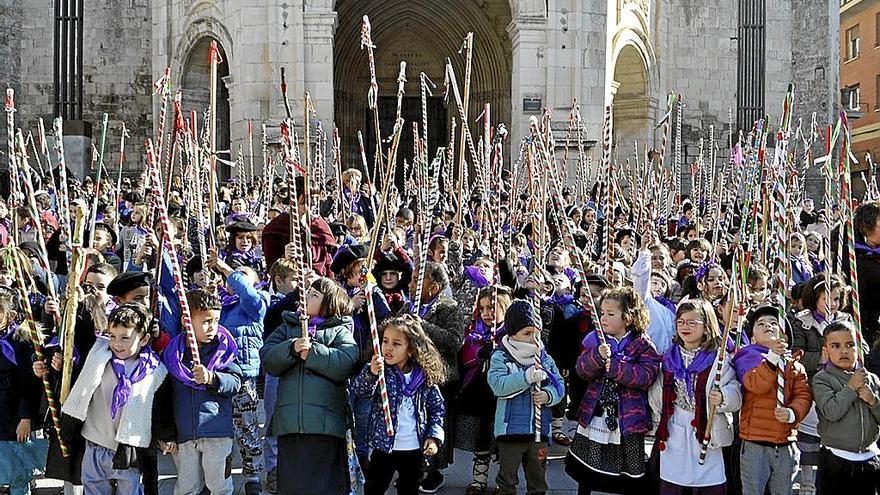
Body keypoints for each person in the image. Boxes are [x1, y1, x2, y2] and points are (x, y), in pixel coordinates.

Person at [260, 277, 359, 495]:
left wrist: (313, 352)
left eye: (314, 295)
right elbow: (267, 357)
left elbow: (347, 362)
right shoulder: (287, 327)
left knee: (324, 485)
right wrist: (292, 348)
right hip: (290, 424)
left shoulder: (338, 330)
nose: (305, 297)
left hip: (325, 426)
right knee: (293, 485)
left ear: (330, 305)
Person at [60, 303, 168, 495]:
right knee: (93, 489)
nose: (117, 343)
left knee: (130, 490)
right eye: (112, 336)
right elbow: (80, 331)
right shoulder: (99, 356)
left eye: (125, 338)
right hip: (95, 443)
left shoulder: (154, 371)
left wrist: (167, 436)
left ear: (144, 339)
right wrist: (77, 301)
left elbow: (158, 408)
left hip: (128, 449)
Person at [566, 287, 661, 495]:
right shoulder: (596, 340)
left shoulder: (643, 345)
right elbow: (582, 370)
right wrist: (597, 358)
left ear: (628, 318)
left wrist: (616, 367)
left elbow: (646, 376)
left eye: (610, 314)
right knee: (588, 462)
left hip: (628, 419)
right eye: (602, 313)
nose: (604, 318)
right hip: (597, 414)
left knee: (629, 466)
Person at [649, 299, 742, 495]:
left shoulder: (718, 360)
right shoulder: (669, 358)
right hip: (674, 428)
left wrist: (724, 397)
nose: (685, 326)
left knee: (707, 479)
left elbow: (735, 390)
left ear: (706, 327)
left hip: (706, 429)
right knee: (673, 480)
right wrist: (658, 417)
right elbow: (657, 394)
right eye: (681, 322)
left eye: (692, 322)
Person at [158, 290, 243, 495]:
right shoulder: (172, 355)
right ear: (187, 321)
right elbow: (164, 397)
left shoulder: (222, 350)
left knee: (219, 485)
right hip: (184, 434)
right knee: (187, 487)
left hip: (216, 430)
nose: (212, 327)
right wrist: (165, 433)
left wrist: (213, 378)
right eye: (206, 321)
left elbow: (235, 382)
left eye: (215, 320)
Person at [352, 316, 446, 495]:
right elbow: (360, 391)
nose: (388, 347)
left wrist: (434, 437)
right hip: (384, 446)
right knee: (374, 487)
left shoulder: (424, 377)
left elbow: (437, 408)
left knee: (409, 489)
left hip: (413, 448)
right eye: (385, 341)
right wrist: (371, 374)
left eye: (396, 344)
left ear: (411, 349)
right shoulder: (381, 372)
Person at [487, 299, 565, 495]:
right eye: (527, 333)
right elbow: (498, 385)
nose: (533, 339)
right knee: (507, 480)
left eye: (536, 333)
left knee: (538, 481)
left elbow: (559, 385)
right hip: (510, 431)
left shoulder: (544, 357)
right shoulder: (501, 356)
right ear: (513, 334)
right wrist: (526, 377)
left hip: (538, 431)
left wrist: (548, 396)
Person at [732, 305, 812, 495]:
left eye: (774, 323)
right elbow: (755, 384)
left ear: (784, 336)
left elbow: (803, 395)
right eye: (761, 324)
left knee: (783, 490)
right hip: (755, 442)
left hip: (786, 442)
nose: (768, 325)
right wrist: (772, 359)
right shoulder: (748, 357)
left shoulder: (795, 366)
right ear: (752, 337)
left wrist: (793, 413)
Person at [207, 255, 269, 495]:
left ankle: (252, 475)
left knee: (247, 428)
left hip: (243, 377)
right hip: (219, 376)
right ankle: (219, 478)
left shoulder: (257, 302)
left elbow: (249, 295)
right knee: (219, 432)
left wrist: (226, 268)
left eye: (242, 275)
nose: (234, 278)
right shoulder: (221, 305)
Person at [455, 285, 513, 494]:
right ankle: (478, 479)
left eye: (492, 308)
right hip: (478, 392)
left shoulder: (511, 332)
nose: (487, 313)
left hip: (502, 394)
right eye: (483, 309)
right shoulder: (474, 331)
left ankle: (503, 480)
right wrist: (481, 352)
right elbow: (467, 354)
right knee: (481, 436)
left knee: (501, 439)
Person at [813, 321, 880, 494]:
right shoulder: (822, 379)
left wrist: (872, 401)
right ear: (826, 351)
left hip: (869, 458)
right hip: (836, 459)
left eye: (850, 345)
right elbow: (831, 411)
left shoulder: (871, 379)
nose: (844, 351)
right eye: (836, 346)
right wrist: (850, 388)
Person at [0, 286, 47, 495]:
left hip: (14, 416)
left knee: (18, 470)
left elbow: (30, 384)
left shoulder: (23, 341)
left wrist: (25, 417)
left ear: (9, 315)